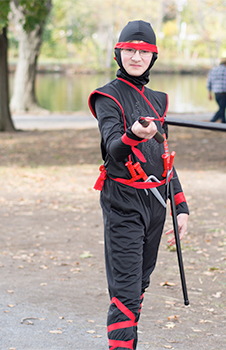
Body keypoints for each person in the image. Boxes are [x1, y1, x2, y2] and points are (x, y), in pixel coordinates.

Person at [88, 20, 190, 350]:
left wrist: (181, 204)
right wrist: (132, 135)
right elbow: (113, 150)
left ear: (152, 57)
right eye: (130, 50)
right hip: (123, 201)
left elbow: (164, 159)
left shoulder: (157, 101)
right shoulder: (107, 97)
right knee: (126, 290)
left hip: (156, 202)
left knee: (140, 284)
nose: (136, 56)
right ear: (119, 54)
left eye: (143, 51)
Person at [206, 57, 226, 124]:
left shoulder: (214, 70)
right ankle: (212, 122)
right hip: (224, 93)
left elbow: (209, 82)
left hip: (216, 93)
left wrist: (209, 93)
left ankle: (224, 123)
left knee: (222, 109)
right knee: (222, 109)